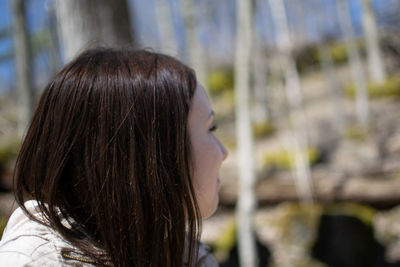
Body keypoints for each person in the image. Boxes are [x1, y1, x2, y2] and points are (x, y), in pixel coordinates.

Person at [0, 48, 228, 266]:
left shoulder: (184, 254)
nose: (224, 153)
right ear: (149, 152)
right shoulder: (32, 261)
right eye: (211, 128)